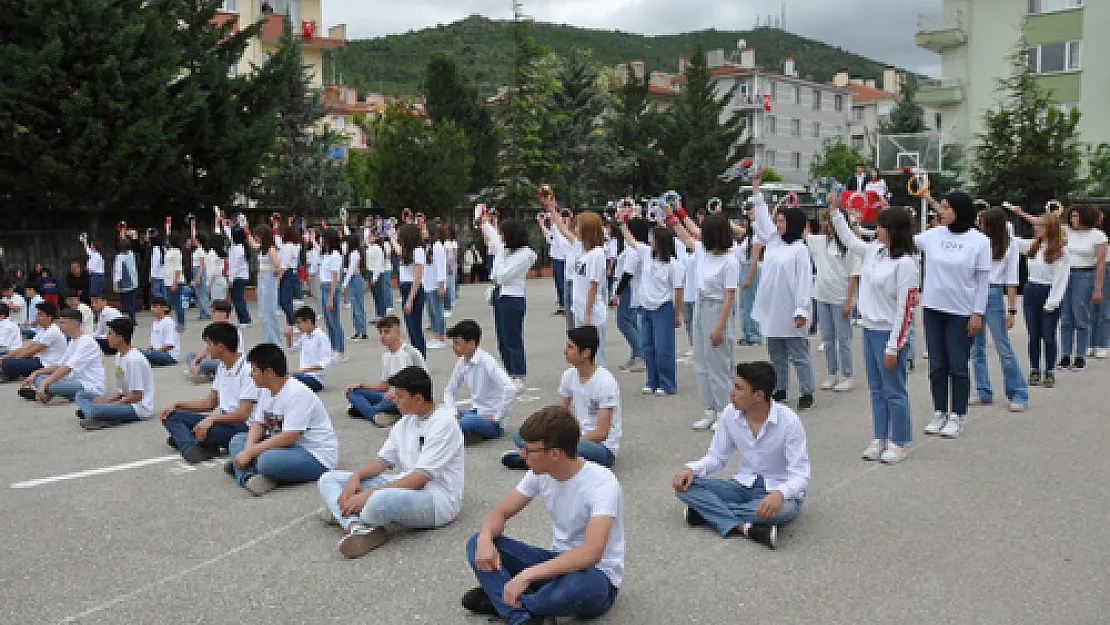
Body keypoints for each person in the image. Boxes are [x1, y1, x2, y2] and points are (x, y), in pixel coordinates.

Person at [463, 405, 624, 624]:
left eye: (529, 450)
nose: (523, 455)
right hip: (555, 564)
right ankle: (523, 614)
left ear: (555, 454)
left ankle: (507, 602)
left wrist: (528, 575)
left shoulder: (602, 484)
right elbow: (501, 512)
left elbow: (591, 552)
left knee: (573, 587)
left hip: (596, 576)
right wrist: (484, 538)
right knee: (477, 544)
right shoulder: (539, 473)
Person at [319, 366, 465, 559]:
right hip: (404, 485)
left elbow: (419, 479)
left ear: (418, 398)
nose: (393, 399)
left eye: (400, 396)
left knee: (377, 501)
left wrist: (366, 496)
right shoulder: (405, 422)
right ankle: (355, 526)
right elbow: (382, 461)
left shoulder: (444, 424)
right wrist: (356, 477)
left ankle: (342, 513)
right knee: (329, 479)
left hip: (437, 499)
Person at [672, 361, 810, 548]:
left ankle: (706, 512)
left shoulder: (789, 422)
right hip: (742, 485)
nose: (731, 393)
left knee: (781, 511)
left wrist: (780, 494)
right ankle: (745, 527)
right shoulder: (730, 414)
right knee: (685, 487)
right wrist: (691, 469)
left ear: (758, 396)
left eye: (738, 388)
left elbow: (801, 475)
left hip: (777, 490)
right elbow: (717, 457)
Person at [830, 201, 919, 463]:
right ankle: (880, 436)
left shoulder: (906, 264)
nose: (876, 230)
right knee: (877, 389)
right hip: (869, 329)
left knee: (894, 390)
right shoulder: (875, 251)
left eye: (880, 226)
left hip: (889, 333)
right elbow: (849, 239)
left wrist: (894, 345)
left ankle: (899, 440)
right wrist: (836, 213)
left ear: (893, 230)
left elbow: (906, 309)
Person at [917, 190, 990, 439]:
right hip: (933, 308)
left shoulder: (979, 241)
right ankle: (939, 412)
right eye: (941, 207)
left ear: (959, 210)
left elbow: (982, 281)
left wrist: (977, 313)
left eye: (946, 207)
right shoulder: (933, 235)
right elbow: (904, 239)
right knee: (937, 365)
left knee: (958, 366)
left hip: (961, 312)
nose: (941, 211)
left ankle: (957, 415)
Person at [502, 325, 621, 470]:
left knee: (557, 445)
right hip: (574, 439)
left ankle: (536, 458)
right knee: (520, 434)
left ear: (586, 353)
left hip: (601, 448)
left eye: (570, 347)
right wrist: (545, 431)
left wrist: (565, 441)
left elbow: (602, 433)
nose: (565, 351)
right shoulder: (569, 375)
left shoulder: (605, 382)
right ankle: (544, 458)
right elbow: (560, 414)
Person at [227, 343, 339, 496]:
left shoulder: (297, 393)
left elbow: (289, 437)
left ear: (269, 373)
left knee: (266, 461)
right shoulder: (266, 390)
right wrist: (248, 450)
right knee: (237, 440)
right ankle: (249, 477)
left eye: (254, 370)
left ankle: (247, 468)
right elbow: (258, 423)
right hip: (284, 447)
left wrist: (250, 453)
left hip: (313, 454)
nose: (250, 374)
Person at [750, 175, 817, 410]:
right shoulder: (774, 241)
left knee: (798, 353)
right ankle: (780, 387)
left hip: (790, 308)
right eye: (777, 221)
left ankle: (807, 390)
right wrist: (756, 191)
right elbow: (762, 221)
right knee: (776, 352)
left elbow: (804, 282)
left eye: (782, 222)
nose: (778, 225)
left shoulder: (799, 250)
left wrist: (801, 309)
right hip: (773, 308)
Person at [669, 207, 739, 430]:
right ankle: (709, 410)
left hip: (717, 309)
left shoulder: (730, 261)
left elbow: (729, 297)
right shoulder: (704, 253)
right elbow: (686, 235)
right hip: (701, 306)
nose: (700, 235)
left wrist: (719, 327)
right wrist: (673, 216)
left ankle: (724, 411)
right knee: (701, 362)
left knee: (717, 364)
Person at [161, 322, 256, 463]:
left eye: (209, 344)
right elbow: (210, 403)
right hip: (224, 421)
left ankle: (191, 447)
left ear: (221, 347)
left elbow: (243, 415)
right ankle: (195, 443)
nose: (206, 349)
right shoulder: (222, 367)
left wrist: (211, 420)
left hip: (243, 427)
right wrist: (178, 405)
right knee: (171, 416)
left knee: (202, 431)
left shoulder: (248, 371)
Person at [968, 209, 1029, 411]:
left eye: (984, 223)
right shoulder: (977, 241)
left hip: (993, 293)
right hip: (974, 291)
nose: (981, 226)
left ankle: (1018, 392)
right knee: (976, 346)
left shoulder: (1009, 244)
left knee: (1003, 345)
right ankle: (983, 390)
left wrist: (1012, 309)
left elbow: (1012, 279)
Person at [1006, 209, 1071, 387]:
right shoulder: (1033, 246)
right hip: (1031, 290)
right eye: (1037, 225)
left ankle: (1049, 370)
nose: (1037, 228)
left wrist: (1053, 302)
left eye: (1041, 226)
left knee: (1048, 335)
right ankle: (1035, 369)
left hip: (1048, 291)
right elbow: (1012, 241)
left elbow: (1061, 279)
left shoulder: (1061, 252)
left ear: (1050, 228)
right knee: (1033, 335)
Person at [807, 210, 861, 392]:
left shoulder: (850, 246)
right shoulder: (820, 241)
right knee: (827, 339)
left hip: (840, 298)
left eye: (828, 222)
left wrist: (849, 301)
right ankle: (832, 373)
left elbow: (854, 276)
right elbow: (803, 233)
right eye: (824, 222)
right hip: (822, 297)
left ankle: (848, 375)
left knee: (843, 339)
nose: (825, 225)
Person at [75, 317, 156, 430]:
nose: (107, 336)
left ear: (120, 338)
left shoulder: (134, 360)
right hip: (125, 401)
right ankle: (101, 415)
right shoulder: (119, 355)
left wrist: (110, 404)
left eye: (110, 333)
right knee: (81, 395)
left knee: (97, 408)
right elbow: (121, 391)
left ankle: (100, 415)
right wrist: (107, 401)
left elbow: (137, 396)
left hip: (138, 408)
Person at [443, 319, 517, 443]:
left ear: (471, 344)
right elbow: (449, 390)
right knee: (440, 412)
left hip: (491, 421)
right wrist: (452, 413)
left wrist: (498, 417)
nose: (454, 347)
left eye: (457, 343)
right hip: (475, 413)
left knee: (465, 422)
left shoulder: (487, 361)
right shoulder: (462, 361)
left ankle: (454, 433)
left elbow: (510, 388)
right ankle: (459, 431)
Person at [551, 208, 609, 367]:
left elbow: (593, 286)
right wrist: (551, 207)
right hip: (579, 309)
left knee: (596, 355)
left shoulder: (597, 254)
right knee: (582, 354)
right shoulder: (580, 248)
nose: (575, 229)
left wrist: (586, 315)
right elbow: (562, 229)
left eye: (578, 226)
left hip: (591, 314)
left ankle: (600, 388)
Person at [345, 315, 426, 426]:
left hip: (407, 397)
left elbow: (421, 384)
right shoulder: (386, 356)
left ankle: (370, 412)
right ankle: (377, 414)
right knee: (352, 392)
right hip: (389, 396)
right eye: (380, 332)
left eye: (386, 332)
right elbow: (384, 385)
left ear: (397, 333)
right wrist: (361, 385)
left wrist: (396, 393)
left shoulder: (409, 353)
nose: (382, 336)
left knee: (360, 408)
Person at [631, 223, 684, 394]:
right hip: (646, 307)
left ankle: (667, 383)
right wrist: (622, 223)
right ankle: (651, 380)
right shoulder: (647, 254)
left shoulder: (673, 265)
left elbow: (678, 290)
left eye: (653, 238)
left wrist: (677, 313)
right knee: (647, 346)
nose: (650, 241)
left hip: (663, 308)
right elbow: (632, 241)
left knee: (663, 348)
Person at [486, 217, 537, 385]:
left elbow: (502, 276)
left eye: (503, 234)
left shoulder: (525, 255)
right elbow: (493, 239)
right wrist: (484, 222)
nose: (500, 237)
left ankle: (519, 373)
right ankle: (509, 371)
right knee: (502, 338)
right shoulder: (507, 250)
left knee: (512, 338)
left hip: (512, 298)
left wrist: (499, 255)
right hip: (500, 296)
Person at [17, 308, 105, 403]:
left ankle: (48, 393)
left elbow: (67, 368)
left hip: (88, 384)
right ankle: (54, 393)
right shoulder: (73, 340)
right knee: (39, 377)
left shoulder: (86, 342)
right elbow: (59, 364)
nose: (60, 326)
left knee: (47, 383)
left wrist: (44, 383)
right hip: (73, 379)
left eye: (63, 322)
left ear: (75, 324)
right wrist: (35, 373)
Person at [610, 218, 648, 374]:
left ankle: (640, 354)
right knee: (632, 323)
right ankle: (636, 354)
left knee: (624, 322)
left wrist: (617, 294)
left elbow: (627, 274)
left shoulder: (634, 251)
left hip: (628, 289)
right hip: (631, 288)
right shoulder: (635, 249)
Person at [0, 302, 66, 381]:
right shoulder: (43, 330)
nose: (37, 317)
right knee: (6, 357)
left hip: (46, 364)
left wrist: (6, 359)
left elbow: (30, 352)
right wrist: (5, 356)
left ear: (49, 317)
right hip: (37, 359)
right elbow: (26, 346)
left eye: (40, 315)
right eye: (37, 314)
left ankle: (11, 372)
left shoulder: (52, 331)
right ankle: (12, 372)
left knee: (7, 363)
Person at [183, 300, 242, 381]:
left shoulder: (230, 329)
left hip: (227, 360)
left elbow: (220, 352)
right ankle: (201, 371)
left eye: (214, 312)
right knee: (190, 356)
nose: (211, 315)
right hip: (215, 357)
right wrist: (194, 361)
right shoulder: (215, 328)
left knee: (205, 363)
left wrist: (196, 362)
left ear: (224, 314)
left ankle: (201, 373)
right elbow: (207, 348)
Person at [394, 224, 427, 356]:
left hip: (413, 289)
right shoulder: (407, 250)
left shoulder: (418, 251)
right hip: (405, 288)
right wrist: (390, 234)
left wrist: (410, 300)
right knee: (411, 328)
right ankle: (416, 357)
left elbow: (418, 277)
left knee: (416, 328)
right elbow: (397, 248)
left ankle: (420, 358)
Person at [282, 306, 331, 392]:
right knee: (280, 376)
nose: (298, 326)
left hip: (315, 379)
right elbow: (291, 350)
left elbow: (325, 363)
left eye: (299, 323)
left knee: (288, 379)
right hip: (303, 375)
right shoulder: (305, 336)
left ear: (308, 321)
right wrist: (288, 338)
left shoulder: (321, 337)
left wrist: (302, 370)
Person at [317, 229, 347, 361]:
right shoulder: (327, 254)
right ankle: (332, 347)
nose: (320, 240)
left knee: (335, 321)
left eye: (322, 237)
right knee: (328, 321)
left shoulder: (335, 255)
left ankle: (339, 350)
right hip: (323, 286)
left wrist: (330, 297)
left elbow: (335, 277)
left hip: (330, 287)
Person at [253, 228, 282, 347]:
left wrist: (276, 283)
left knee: (268, 313)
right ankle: (268, 340)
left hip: (268, 279)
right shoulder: (262, 249)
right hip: (262, 279)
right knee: (263, 313)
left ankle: (274, 341)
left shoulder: (271, 249)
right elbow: (252, 243)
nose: (256, 238)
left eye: (258, 235)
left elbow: (278, 268)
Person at [423, 227, 449, 349]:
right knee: (431, 312)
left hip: (435, 285)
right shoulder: (428, 246)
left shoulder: (438, 246)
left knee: (438, 312)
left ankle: (441, 337)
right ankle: (435, 335)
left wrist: (441, 285)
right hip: (427, 285)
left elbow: (441, 267)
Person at [341, 232, 369, 342]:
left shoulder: (354, 254)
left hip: (355, 280)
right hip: (355, 279)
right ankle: (358, 331)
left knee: (358, 307)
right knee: (355, 307)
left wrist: (344, 284)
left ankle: (362, 331)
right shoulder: (354, 253)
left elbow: (351, 271)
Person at [141, 297, 180, 366]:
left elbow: (170, 345)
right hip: (157, 353)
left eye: (155, 307)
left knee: (143, 354)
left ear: (163, 308)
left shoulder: (169, 322)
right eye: (152, 307)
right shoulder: (155, 322)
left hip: (168, 355)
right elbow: (152, 344)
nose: (152, 309)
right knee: (136, 352)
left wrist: (153, 353)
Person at [228, 228, 252, 325]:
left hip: (237, 277)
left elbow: (235, 265)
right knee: (237, 298)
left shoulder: (237, 249)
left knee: (237, 299)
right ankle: (243, 319)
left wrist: (231, 279)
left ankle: (245, 319)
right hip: (240, 276)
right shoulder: (240, 247)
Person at [278, 225, 300, 328]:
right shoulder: (294, 246)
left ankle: (293, 321)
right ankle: (291, 321)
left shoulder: (287, 247)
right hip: (291, 273)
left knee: (284, 300)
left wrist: (278, 279)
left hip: (287, 273)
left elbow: (284, 265)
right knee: (287, 300)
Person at [163, 233, 187, 331]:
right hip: (168, 281)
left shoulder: (177, 252)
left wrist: (175, 282)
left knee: (178, 304)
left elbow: (178, 268)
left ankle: (181, 323)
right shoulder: (169, 251)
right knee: (170, 303)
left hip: (175, 281)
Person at [113, 238, 139, 321]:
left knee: (125, 302)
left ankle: (129, 319)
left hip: (125, 283)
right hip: (134, 282)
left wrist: (115, 284)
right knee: (132, 302)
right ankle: (132, 318)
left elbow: (118, 271)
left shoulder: (120, 257)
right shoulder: (131, 254)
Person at [191, 234, 211, 321]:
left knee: (202, 294)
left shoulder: (201, 250)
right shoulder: (197, 250)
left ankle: (207, 313)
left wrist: (198, 276)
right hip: (196, 270)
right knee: (199, 294)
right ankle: (202, 313)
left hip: (199, 271)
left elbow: (202, 265)